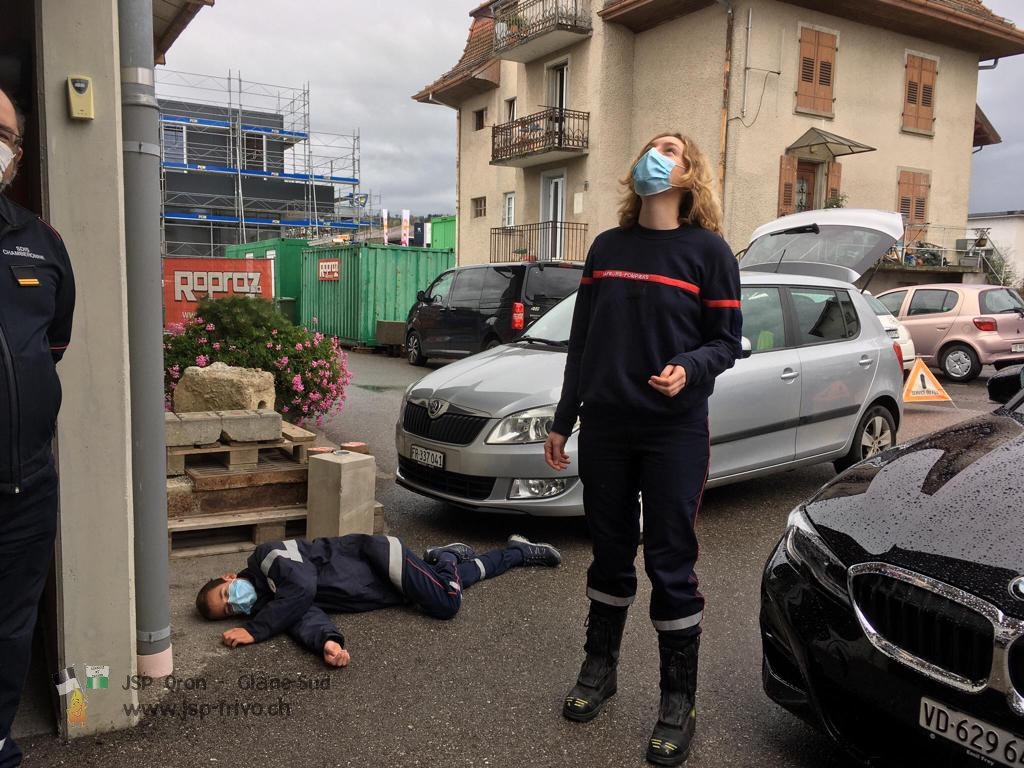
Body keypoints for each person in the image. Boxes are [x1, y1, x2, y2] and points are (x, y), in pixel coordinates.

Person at [544, 133, 741, 766]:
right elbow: (583, 343)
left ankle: (677, 700)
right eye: (650, 146)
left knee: (670, 562)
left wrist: (690, 366)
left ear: (690, 175)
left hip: (672, 432)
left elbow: (727, 341)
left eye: (670, 149)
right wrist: (562, 418)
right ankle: (599, 672)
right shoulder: (606, 247)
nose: (654, 155)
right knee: (608, 555)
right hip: (604, 426)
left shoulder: (709, 253)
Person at [0, 86, 76, 768]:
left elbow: (51, 347)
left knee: (11, 624)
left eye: (1, 133)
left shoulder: (42, 245)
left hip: (23, 488)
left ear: (16, 156)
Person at [196, 533, 561, 665]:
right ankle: (517, 552)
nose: (234, 603)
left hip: (383, 559)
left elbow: (303, 587)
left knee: (448, 604)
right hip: (385, 589)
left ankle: (446, 555)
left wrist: (255, 631)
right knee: (458, 582)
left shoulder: (266, 556)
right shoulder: (274, 606)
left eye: (227, 593)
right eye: (228, 609)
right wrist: (329, 643)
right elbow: (304, 615)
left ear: (230, 577)